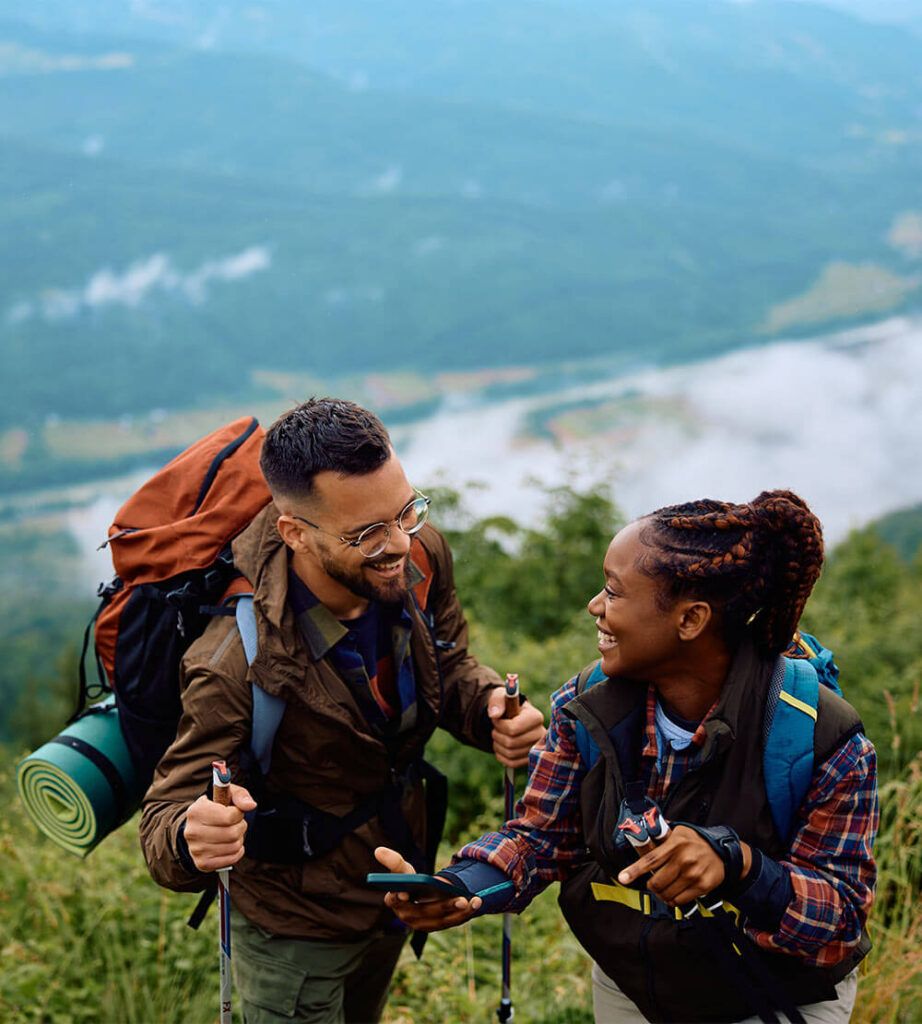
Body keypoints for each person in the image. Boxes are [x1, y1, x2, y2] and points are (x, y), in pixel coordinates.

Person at [376, 490, 879, 1024]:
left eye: (614, 592)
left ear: (691, 620)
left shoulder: (819, 736)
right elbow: (542, 837)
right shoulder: (588, 705)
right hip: (637, 986)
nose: (595, 605)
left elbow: (842, 915)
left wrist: (738, 866)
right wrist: (462, 888)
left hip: (773, 994)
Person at [139, 398, 546, 1024]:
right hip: (292, 928)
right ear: (294, 531)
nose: (398, 545)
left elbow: (449, 662)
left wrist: (489, 706)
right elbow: (165, 820)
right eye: (365, 534)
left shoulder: (421, 557)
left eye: (405, 511)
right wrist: (193, 837)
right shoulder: (233, 660)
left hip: (390, 889)